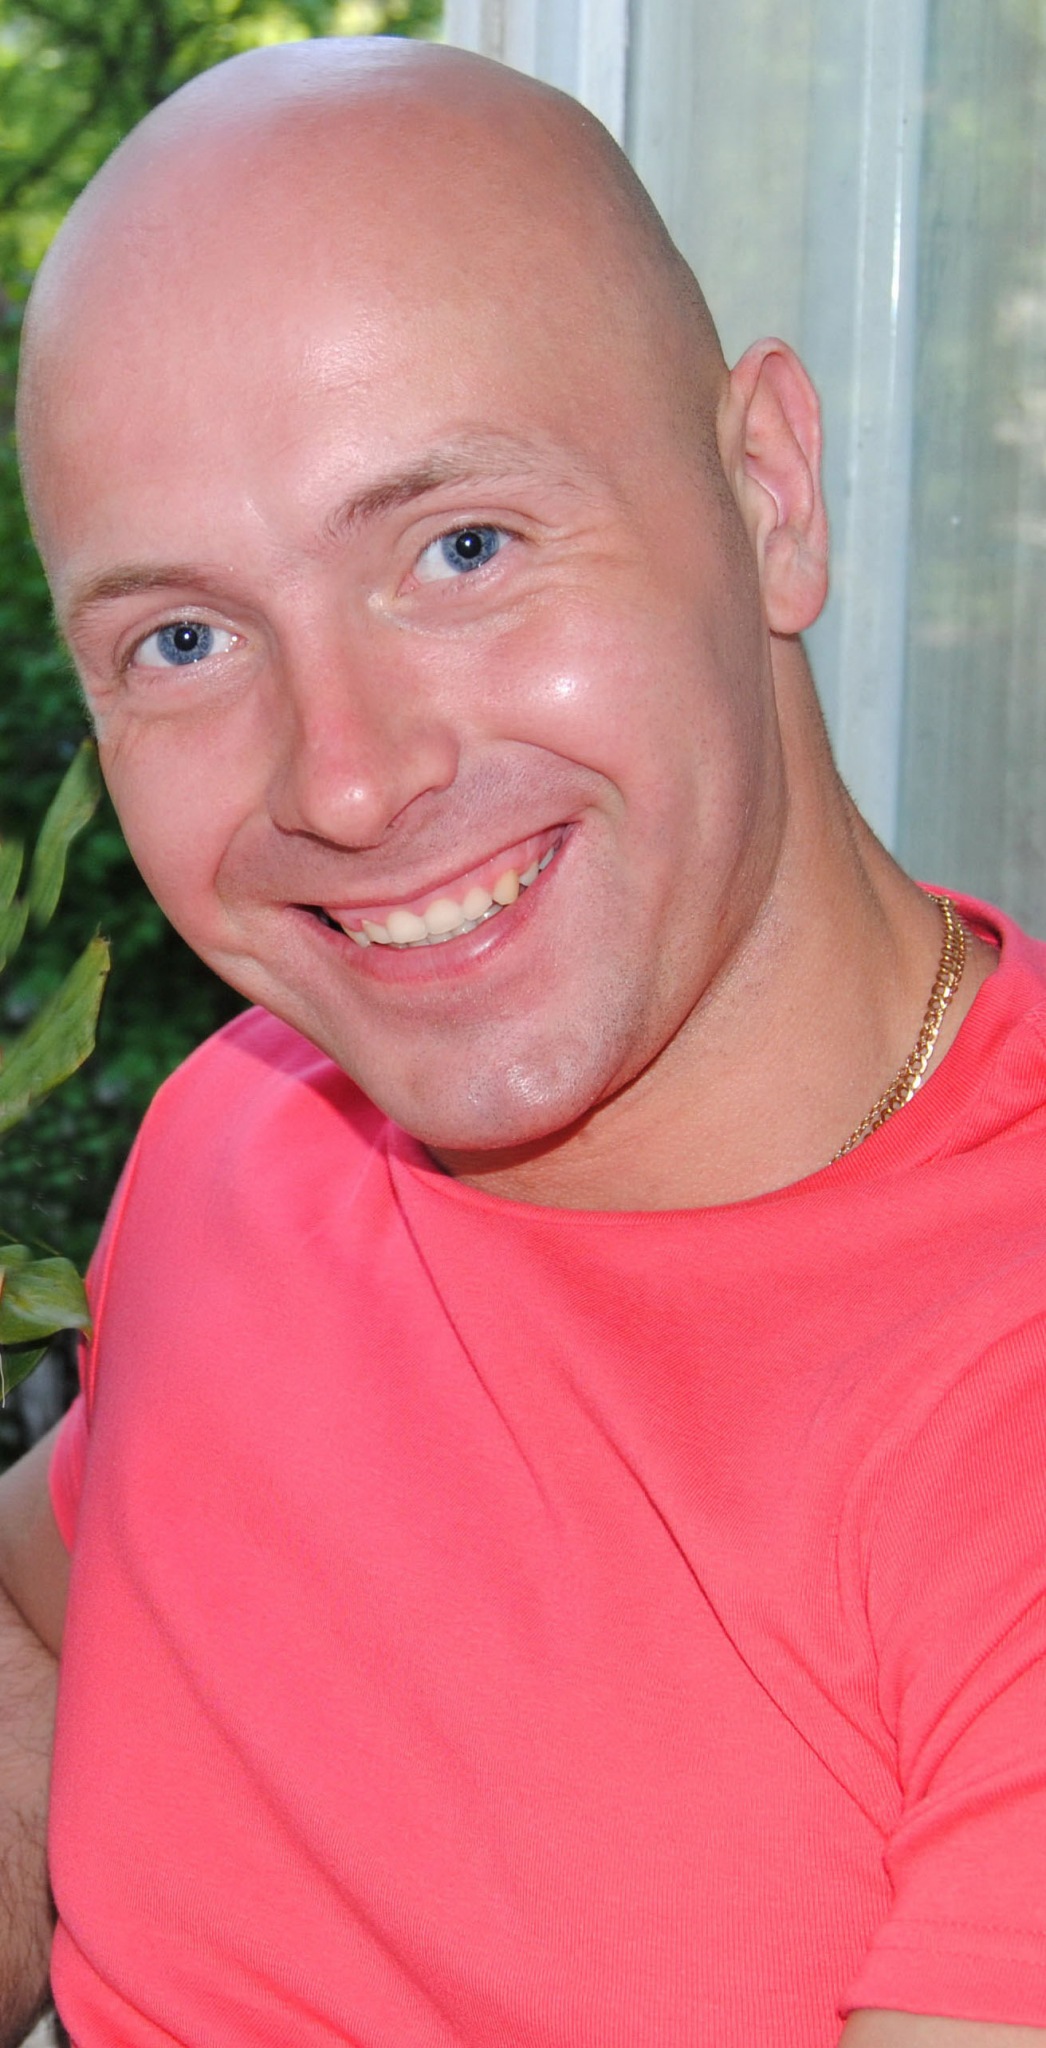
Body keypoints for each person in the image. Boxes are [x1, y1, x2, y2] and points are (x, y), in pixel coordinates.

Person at [0, 31, 1044, 2047]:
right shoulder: (241, 1138)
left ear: (768, 495)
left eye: (459, 548)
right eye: (184, 640)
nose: (347, 780)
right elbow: (59, 1606)